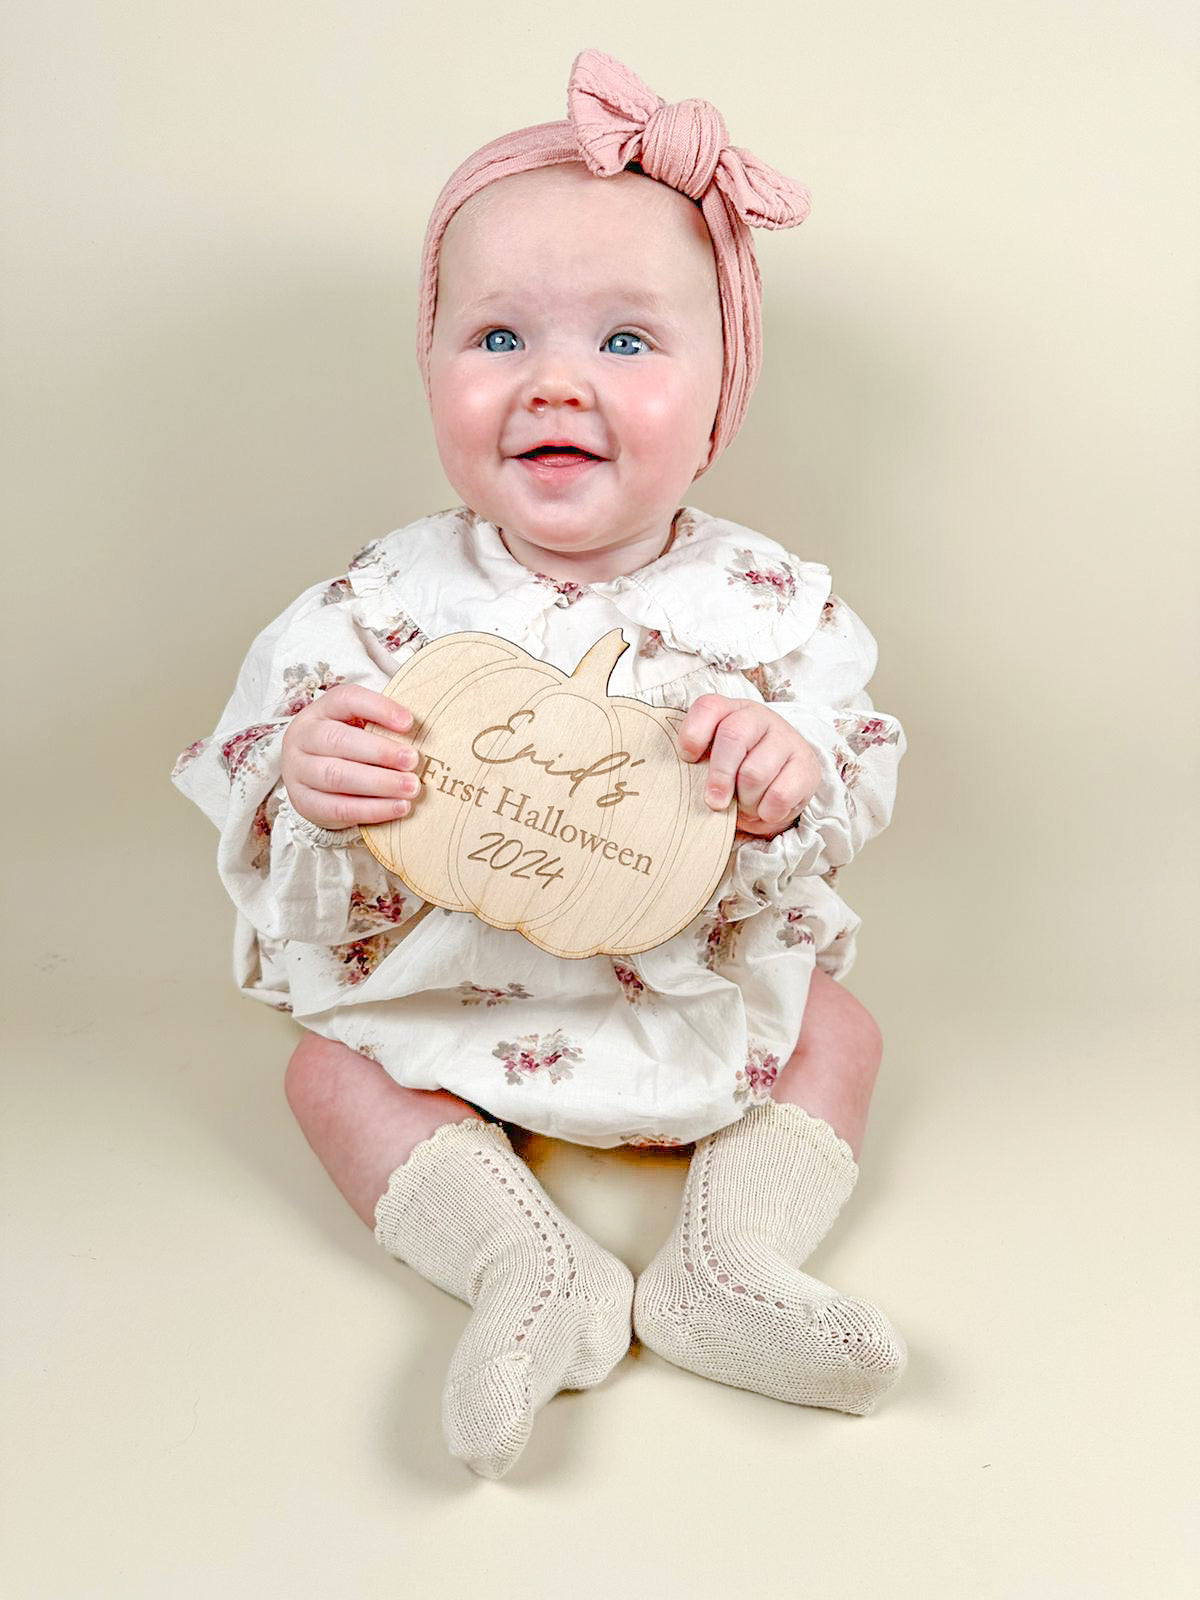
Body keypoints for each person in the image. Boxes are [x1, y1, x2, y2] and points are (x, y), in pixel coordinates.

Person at [172, 49, 909, 1480]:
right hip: (447, 981)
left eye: (627, 344)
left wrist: (789, 766)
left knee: (843, 1033)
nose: (555, 382)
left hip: (693, 978)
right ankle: (527, 1271)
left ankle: (728, 1264)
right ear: (434, 367)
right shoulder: (382, 600)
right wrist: (310, 777)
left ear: (719, 398)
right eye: (499, 338)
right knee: (329, 1076)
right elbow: (253, 753)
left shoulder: (771, 604)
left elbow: (857, 756)